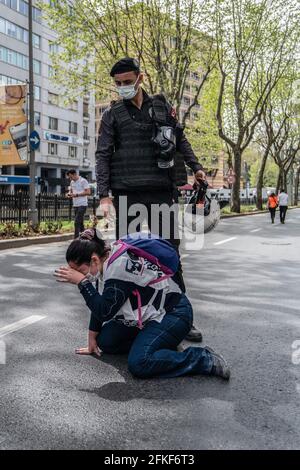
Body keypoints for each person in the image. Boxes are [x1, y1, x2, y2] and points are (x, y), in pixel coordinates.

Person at [96, 57, 206, 342]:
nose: (123, 87)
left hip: (160, 191)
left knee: (170, 255)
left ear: (140, 78)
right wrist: (104, 196)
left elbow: (179, 139)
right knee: (127, 258)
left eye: (127, 82)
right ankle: (128, 317)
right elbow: (103, 155)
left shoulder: (160, 106)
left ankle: (180, 317)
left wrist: (197, 167)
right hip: (126, 193)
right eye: (118, 84)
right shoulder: (111, 115)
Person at [54, 228, 230, 380]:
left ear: (93, 260)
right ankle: (158, 343)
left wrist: (82, 283)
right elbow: (103, 298)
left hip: (174, 314)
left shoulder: (118, 267)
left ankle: (202, 359)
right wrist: (92, 338)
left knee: (140, 363)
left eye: (80, 271)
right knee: (105, 341)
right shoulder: (109, 257)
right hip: (148, 316)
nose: (79, 275)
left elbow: (105, 310)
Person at [66, 169, 91, 238]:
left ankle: (76, 239)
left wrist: (77, 195)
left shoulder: (83, 181)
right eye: (69, 177)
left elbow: (88, 192)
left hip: (82, 204)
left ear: (75, 174)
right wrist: (68, 194)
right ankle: (85, 238)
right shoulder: (72, 182)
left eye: (71, 177)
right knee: (80, 223)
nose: (70, 179)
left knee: (76, 222)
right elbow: (70, 191)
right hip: (75, 204)